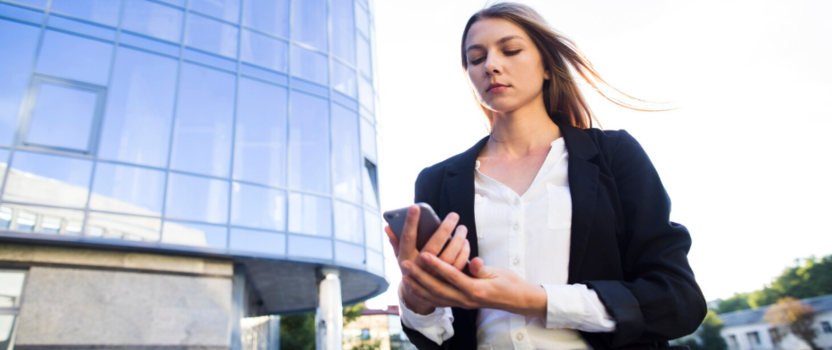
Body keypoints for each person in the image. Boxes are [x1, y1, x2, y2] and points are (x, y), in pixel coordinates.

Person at [384, 2, 706, 350]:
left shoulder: (614, 156)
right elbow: (440, 336)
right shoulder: (436, 181)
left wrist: (536, 300)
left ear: (548, 66)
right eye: (476, 59)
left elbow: (677, 299)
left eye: (510, 50)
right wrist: (419, 301)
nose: (491, 65)